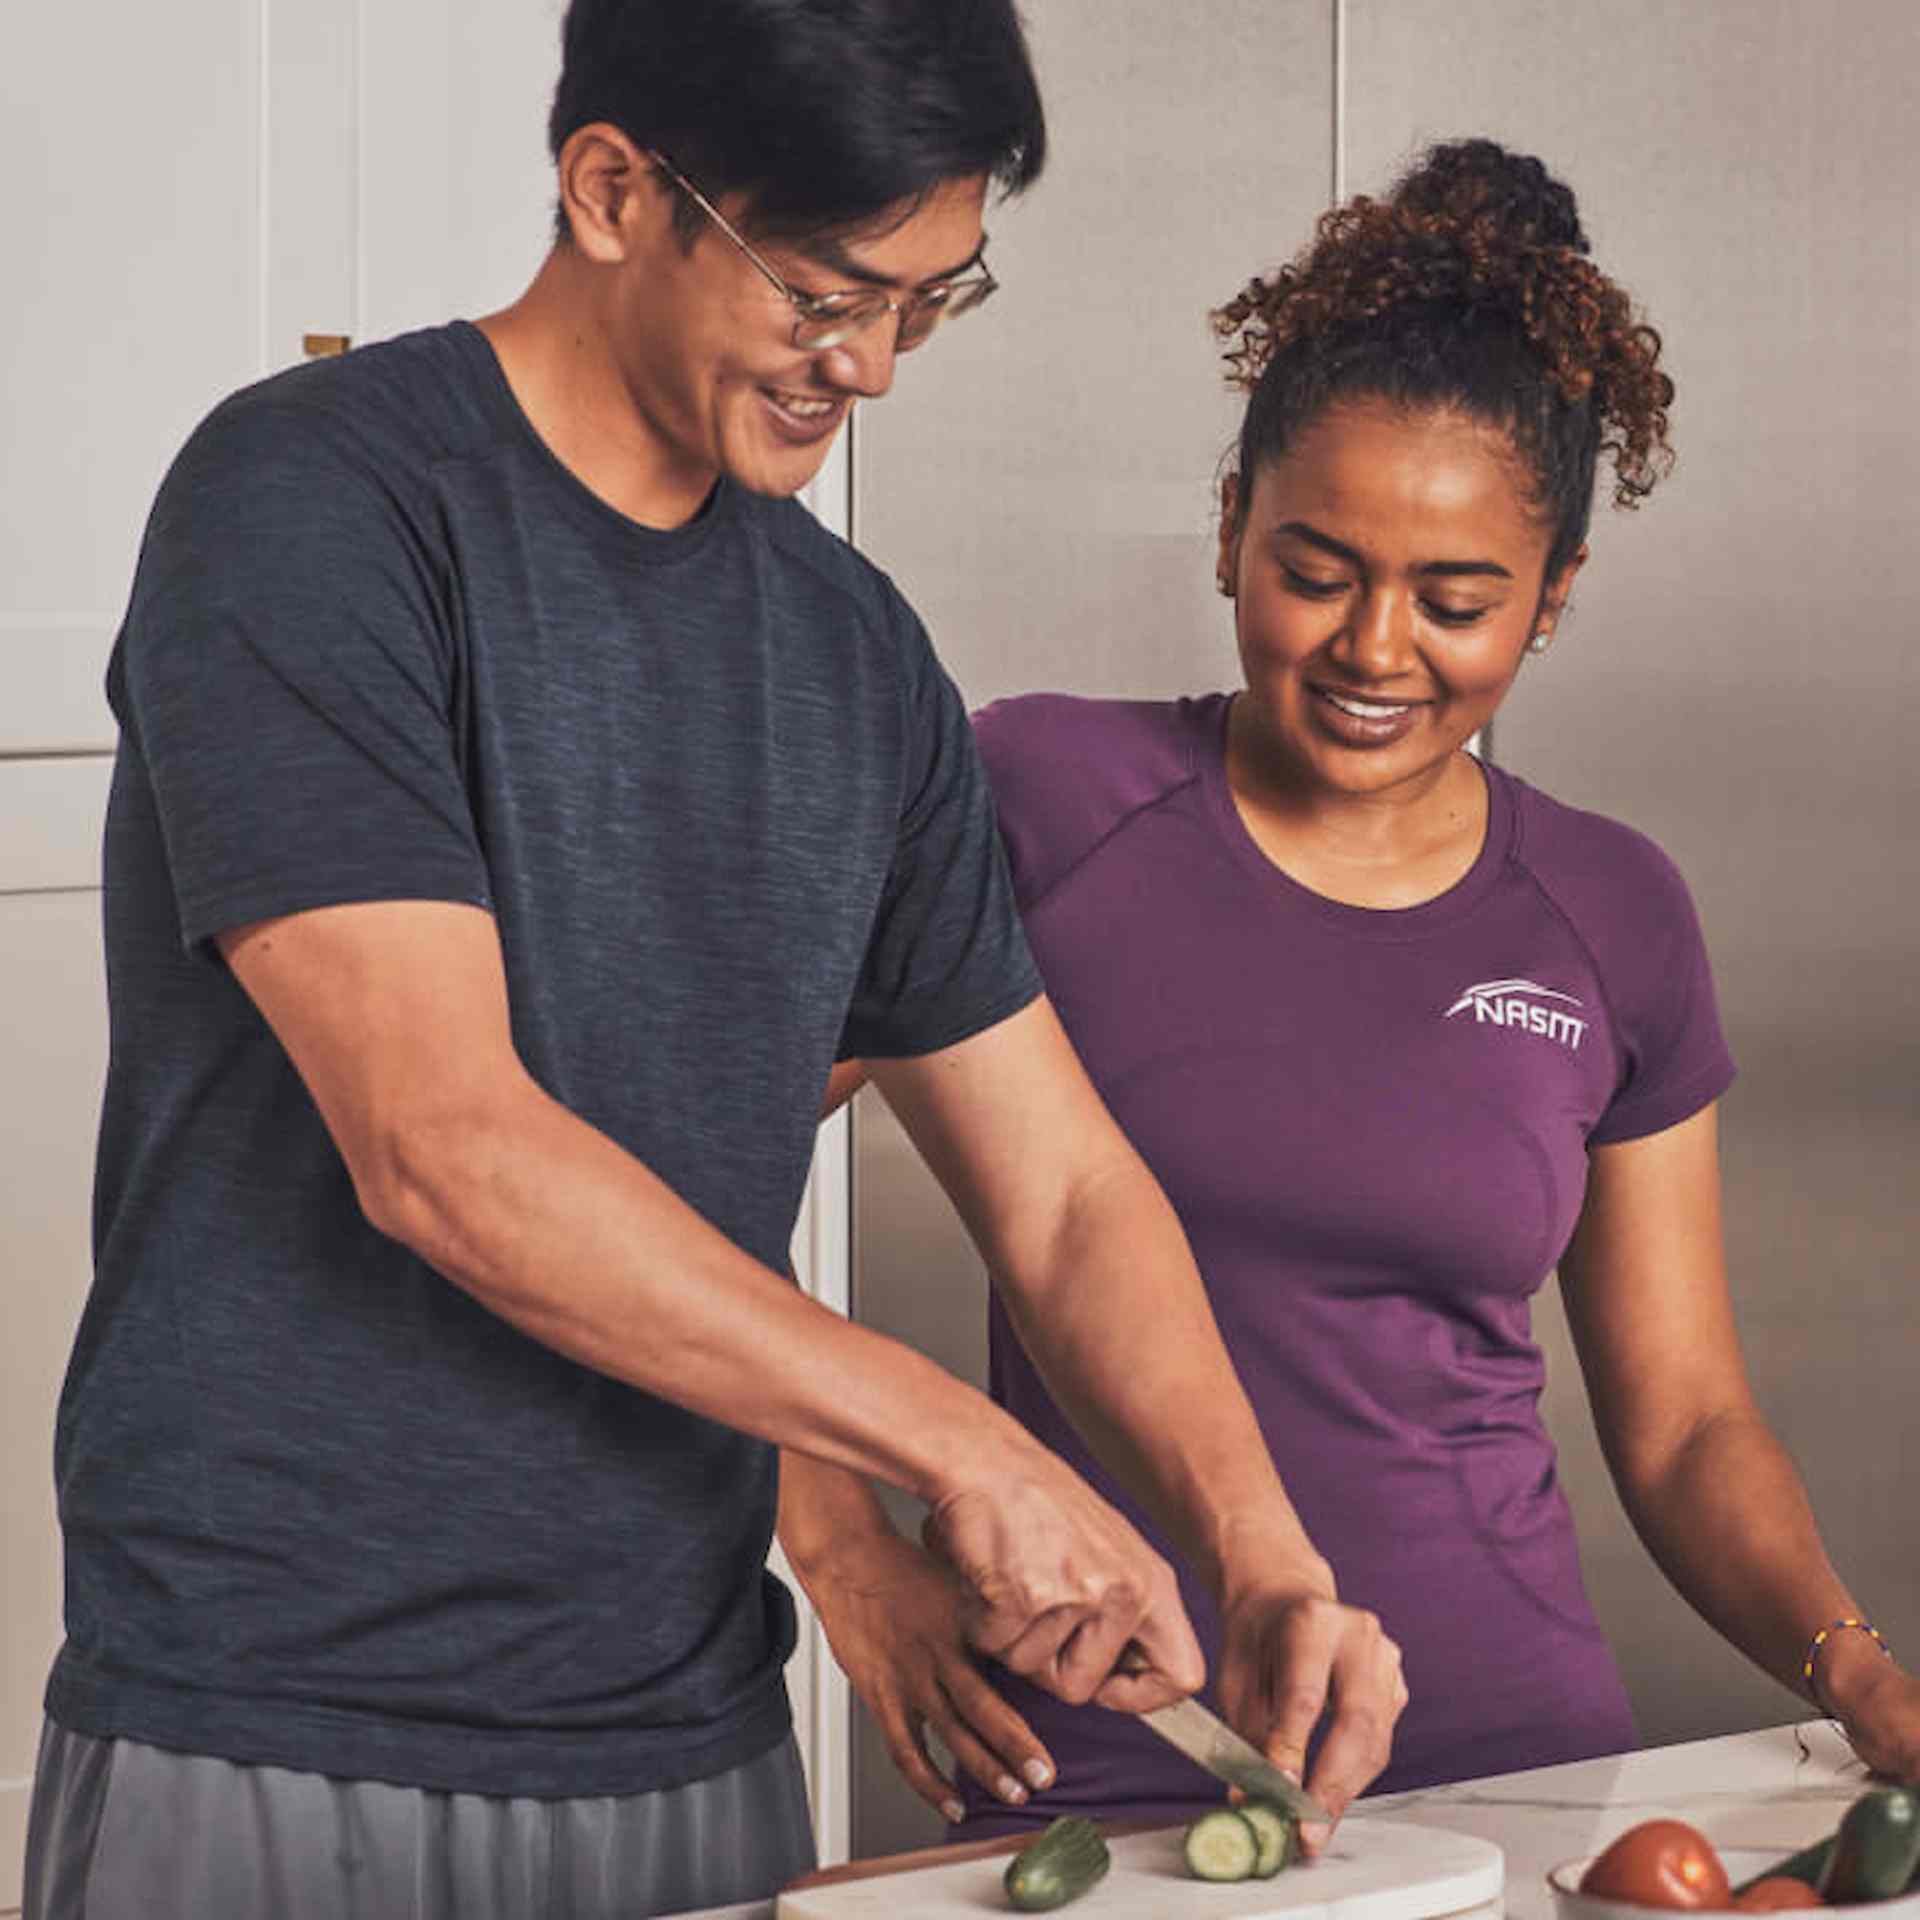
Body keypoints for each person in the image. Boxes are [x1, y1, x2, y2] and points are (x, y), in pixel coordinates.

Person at [22, 6, 1411, 1917]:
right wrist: (961, 1444)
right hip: (284, 1726)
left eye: (931, 301)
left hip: (695, 1740)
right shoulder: (313, 509)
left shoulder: (855, 656)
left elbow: (1069, 1192)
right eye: (830, 294)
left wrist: (1263, 1559)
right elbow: (445, 1149)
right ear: (611, 189)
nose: (876, 370)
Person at [787, 138, 1920, 1838]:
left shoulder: (1613, 912)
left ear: (1551, 603)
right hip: (1117, 1763)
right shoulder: (1038, 800)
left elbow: (1683, 1425)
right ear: (1231, 525)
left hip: (1529, 1771)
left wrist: (1852, 1664)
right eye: (1315, 571)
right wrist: (838, 1544)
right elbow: (687, 1160)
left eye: (1456, 600)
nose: (1376, 650)